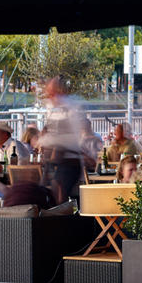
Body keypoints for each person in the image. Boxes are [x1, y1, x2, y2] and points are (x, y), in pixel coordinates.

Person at [40, 76, 87, 204]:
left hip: (69, 161)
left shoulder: (71, 108)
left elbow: (74, 136)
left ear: (60, 92)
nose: (49, 96)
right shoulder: (53, 109)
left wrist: (46, 141)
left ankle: (64, 219)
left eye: (52, 93)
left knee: (60, 196)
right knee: (48, 194)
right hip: (55, 161)